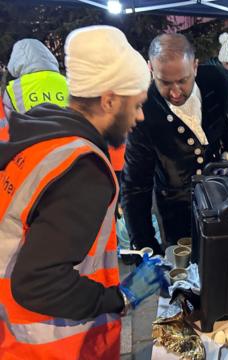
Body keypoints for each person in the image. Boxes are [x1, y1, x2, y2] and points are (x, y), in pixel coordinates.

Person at [0, 26, 168, 359]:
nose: (140, 115)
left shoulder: (43, 129)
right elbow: (38, 282)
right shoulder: (82, 169)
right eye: (136, 104)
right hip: (47, 345)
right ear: (109, 100)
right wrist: (119, 298)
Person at [121, 34, 228, 254]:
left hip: (226, 202)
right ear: (150, 69)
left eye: (183, 80)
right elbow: (135, 186)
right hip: (175, 216)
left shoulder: (217, 82)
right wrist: (144, 244)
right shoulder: (143, 109)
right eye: (164, 82)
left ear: (195, 66)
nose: (175, 92)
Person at [4, 38, 68, 119]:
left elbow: (9, 122)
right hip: (71, 131)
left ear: (15, 59)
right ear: (47, 55)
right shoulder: (68, 83)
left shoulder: (13, 90)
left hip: (30, 131)